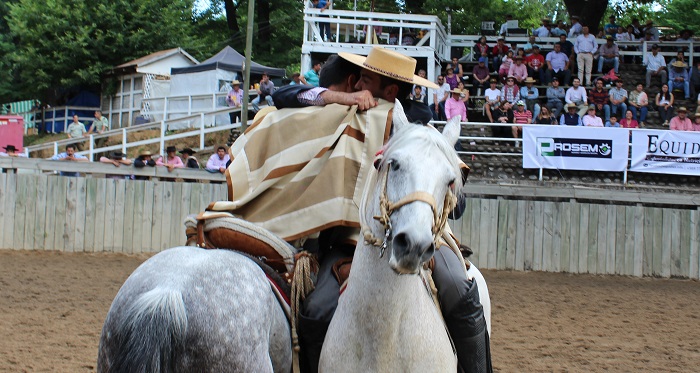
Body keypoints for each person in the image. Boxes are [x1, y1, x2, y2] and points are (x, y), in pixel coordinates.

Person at [225, 47, 491, 373]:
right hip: (347, 243)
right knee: (316, 311)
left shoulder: (424, 126)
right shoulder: (344, 110)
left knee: (460, 291)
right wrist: (334, 98)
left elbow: (457, 204)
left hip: (423, 233)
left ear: (390, 90)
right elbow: (282, 95)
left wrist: (440, 189)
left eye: (366, 78)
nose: (356, 83)